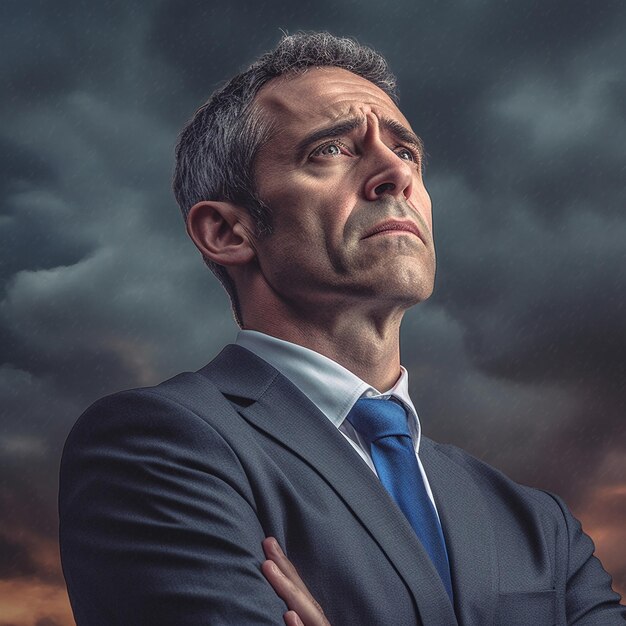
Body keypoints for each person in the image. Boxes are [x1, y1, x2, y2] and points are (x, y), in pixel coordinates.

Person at [59, 32, 624, 625]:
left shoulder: (541, 525)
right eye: (330, 150)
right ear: (228, 232)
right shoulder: (155, 446)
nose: (393, 173)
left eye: (407, 153)